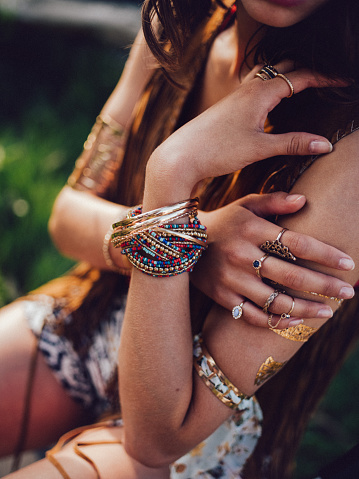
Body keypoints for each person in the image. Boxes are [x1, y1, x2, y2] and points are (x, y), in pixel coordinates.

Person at [1, 0, 359, 477]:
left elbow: (158, 438)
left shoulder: (349, 150)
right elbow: (66, 218)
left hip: (203, 423)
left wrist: (173, 172)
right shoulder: (181, 28)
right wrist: (196, 238)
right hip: (95, 320)